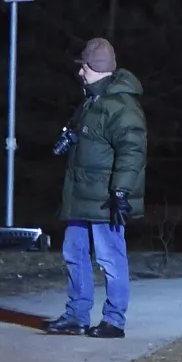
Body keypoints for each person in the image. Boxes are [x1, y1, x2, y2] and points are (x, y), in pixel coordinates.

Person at [42, 37, 146, 339]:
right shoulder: (93, 100)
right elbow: (87, 134)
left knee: (110, 258)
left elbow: (132, 152)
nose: (80, 72)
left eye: (83, 66)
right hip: (81, 195)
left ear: (94, 67)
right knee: (74, 253)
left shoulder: (121, 106)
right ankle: (76, 315)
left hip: (105, 200)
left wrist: (121, 192)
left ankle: (114, 320)